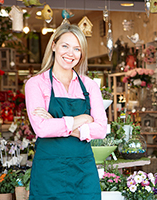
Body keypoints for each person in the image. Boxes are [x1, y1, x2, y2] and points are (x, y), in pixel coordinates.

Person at [25, 22, 107, 200]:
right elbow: (42, 129)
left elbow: (101, 129)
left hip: (83, 172)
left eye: (77, 49)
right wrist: (83, 118)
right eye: (65, 46)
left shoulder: (89, 86)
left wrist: (59, 123)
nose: (70, 53)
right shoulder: (36, 84)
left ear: (82, 53)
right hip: (49, 173)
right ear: (53, 46)